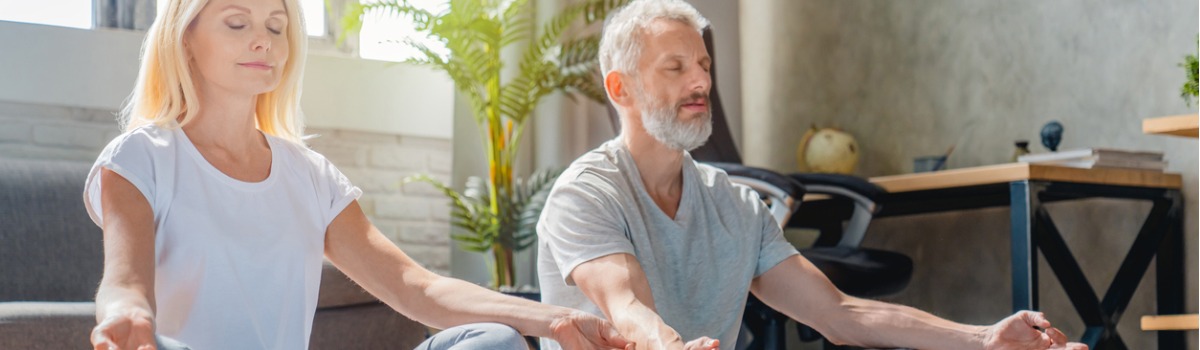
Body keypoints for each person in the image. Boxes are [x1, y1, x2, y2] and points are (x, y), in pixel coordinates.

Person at [535, 1, 1089, 349]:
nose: (699, 82)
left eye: (703, 65)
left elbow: (840, 313)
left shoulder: (735, 207)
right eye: (675, 68)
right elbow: (627, 308)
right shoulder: (587, 195)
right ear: (621, 88)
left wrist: (984, 338)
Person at [84, 0, 633, 349]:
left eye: (276, 26)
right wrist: (126, 316)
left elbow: (417, 287)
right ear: (185, 37)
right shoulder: (142, 156)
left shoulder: (309, 175)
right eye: (237, 23)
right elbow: (125, 283)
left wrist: (558, 319)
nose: (264, 41)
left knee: (493, 342)